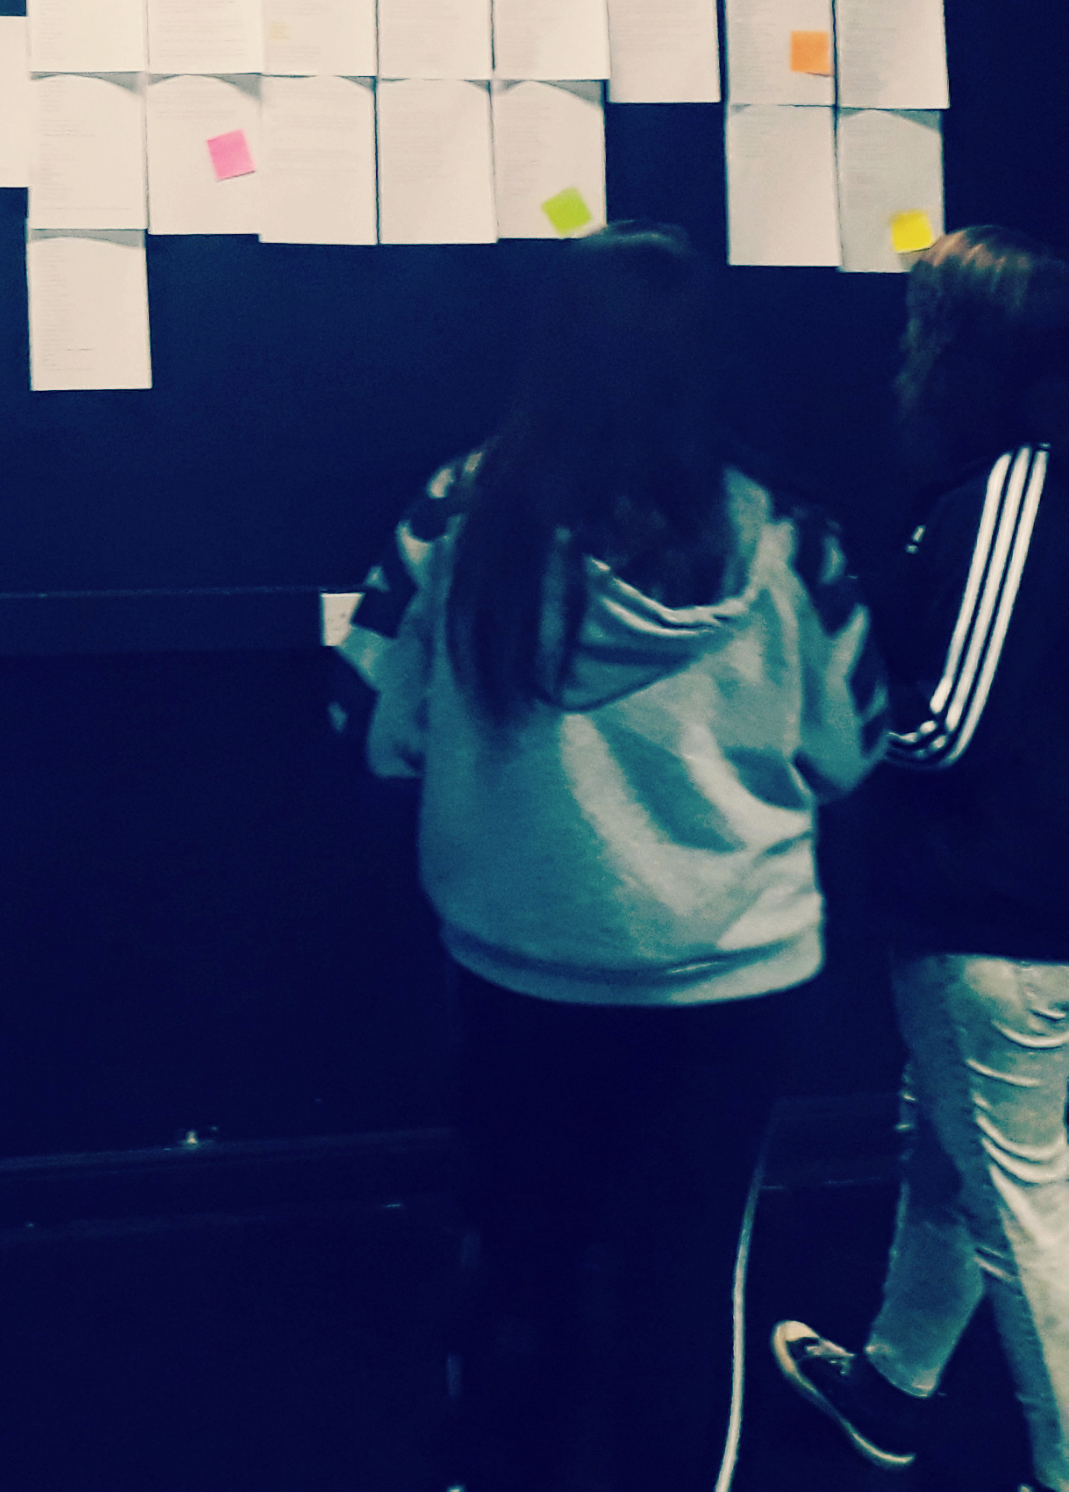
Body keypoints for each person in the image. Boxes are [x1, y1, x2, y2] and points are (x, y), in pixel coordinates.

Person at [334, 222, 888, 1492]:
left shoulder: (455, 515)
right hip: (728, 982)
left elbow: (374, 724)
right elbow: (854, 749)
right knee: (682, 1285)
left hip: (516, 967)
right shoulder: (788, 537)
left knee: (517, 1261)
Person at [772, 225, 1069, 1492]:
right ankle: (891, 1387)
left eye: (921, 324)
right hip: (1024, 909)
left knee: (1022, 1203)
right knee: (951, 1154)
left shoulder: (1014, 495)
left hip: (992, 915)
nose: (905, 348)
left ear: (968, 347)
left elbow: (947, 728)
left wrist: (829, 718)